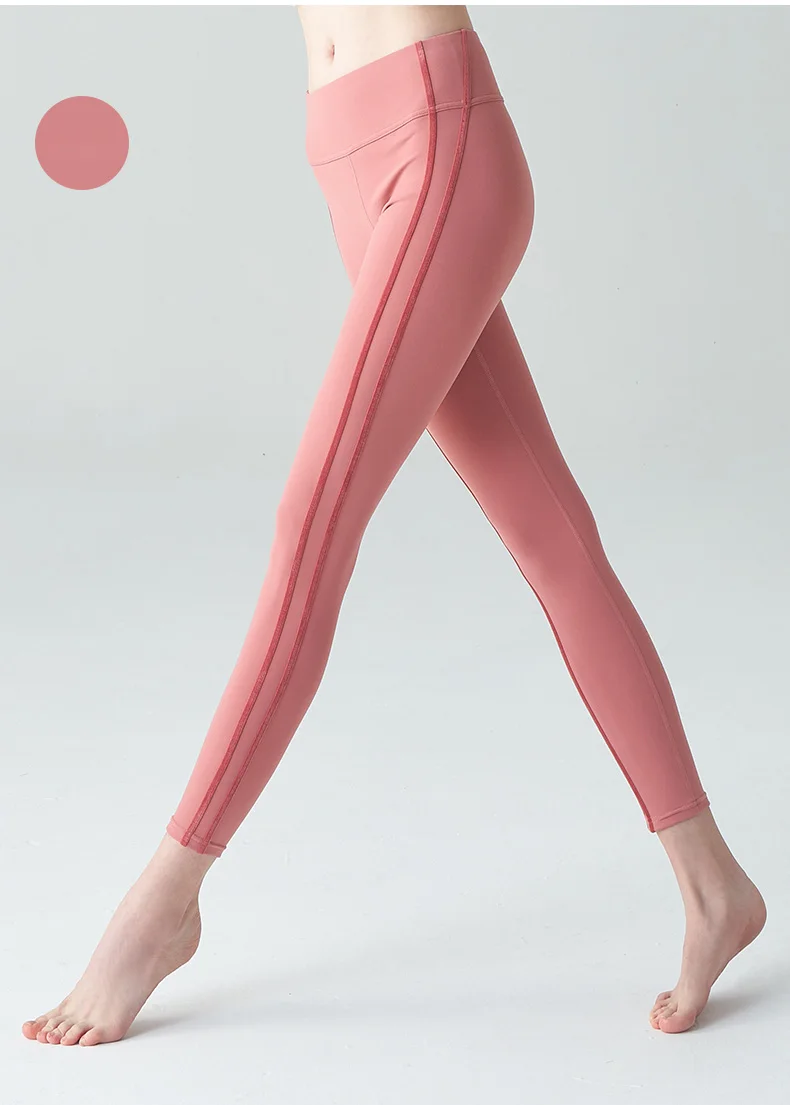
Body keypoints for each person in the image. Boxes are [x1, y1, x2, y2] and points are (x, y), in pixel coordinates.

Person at [22, 4, 765, 1047]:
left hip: (435, 138)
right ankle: (713, 885)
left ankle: (163, 901)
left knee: (311, 522)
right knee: (552, 536)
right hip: (347, 151)